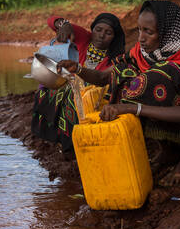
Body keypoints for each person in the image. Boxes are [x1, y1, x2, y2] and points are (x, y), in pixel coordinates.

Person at [57, 0, 180, 186]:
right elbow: (104, 77)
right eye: (139, 30)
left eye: (149, 32)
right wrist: (78, 69)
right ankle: (169, 149)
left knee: (155, 80)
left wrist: (131, 108)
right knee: (124, 73)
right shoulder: (145, 51)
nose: (141, 38)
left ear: (167, 33)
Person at [31, 13, 126, 151]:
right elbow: (52, 20)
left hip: (91, 94)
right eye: (98, 30)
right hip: (68, 83)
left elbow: (102, 80)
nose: (101, 35)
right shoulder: (83, 38)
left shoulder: (115, 56)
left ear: (114, 37)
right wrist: (64, 24)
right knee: (45, 92)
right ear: (92, 29)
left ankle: (70, 142)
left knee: (72, 97)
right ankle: (52, 136)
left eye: (108, 33)